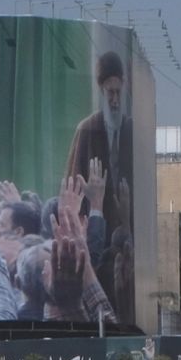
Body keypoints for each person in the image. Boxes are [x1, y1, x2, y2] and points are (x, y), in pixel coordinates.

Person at [64, 51, 133, 239]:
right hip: (94, 235)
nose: (115, 100)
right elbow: (72, 190)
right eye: (110, 93)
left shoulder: (132, 129)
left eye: (118, 92)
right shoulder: (86, 130)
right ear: (102, 89)